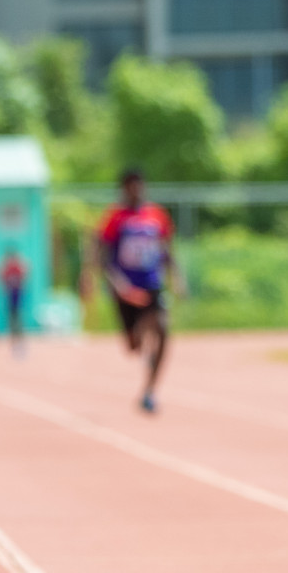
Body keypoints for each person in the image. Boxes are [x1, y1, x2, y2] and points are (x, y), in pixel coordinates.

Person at [97, 169, 181, 413]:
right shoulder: (114, 217)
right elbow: (103, 256)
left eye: (139, 185)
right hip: (126, 289)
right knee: (133, 346)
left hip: (151, 283)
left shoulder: (157, 215)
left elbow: (167, 249)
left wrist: (176, 277)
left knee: (163, 329)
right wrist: (117, 283)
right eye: (131, 186)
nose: (136, 190)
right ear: (123, 188)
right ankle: (141, 335)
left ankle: (150, 391)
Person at [0, 246, 29, 357]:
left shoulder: (18, 267)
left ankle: (19, 340)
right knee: (11, 318)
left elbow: (25, 277)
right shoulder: (7, 267)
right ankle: (13, 341)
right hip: (10, 296)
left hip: (17, 295)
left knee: (18, 318)